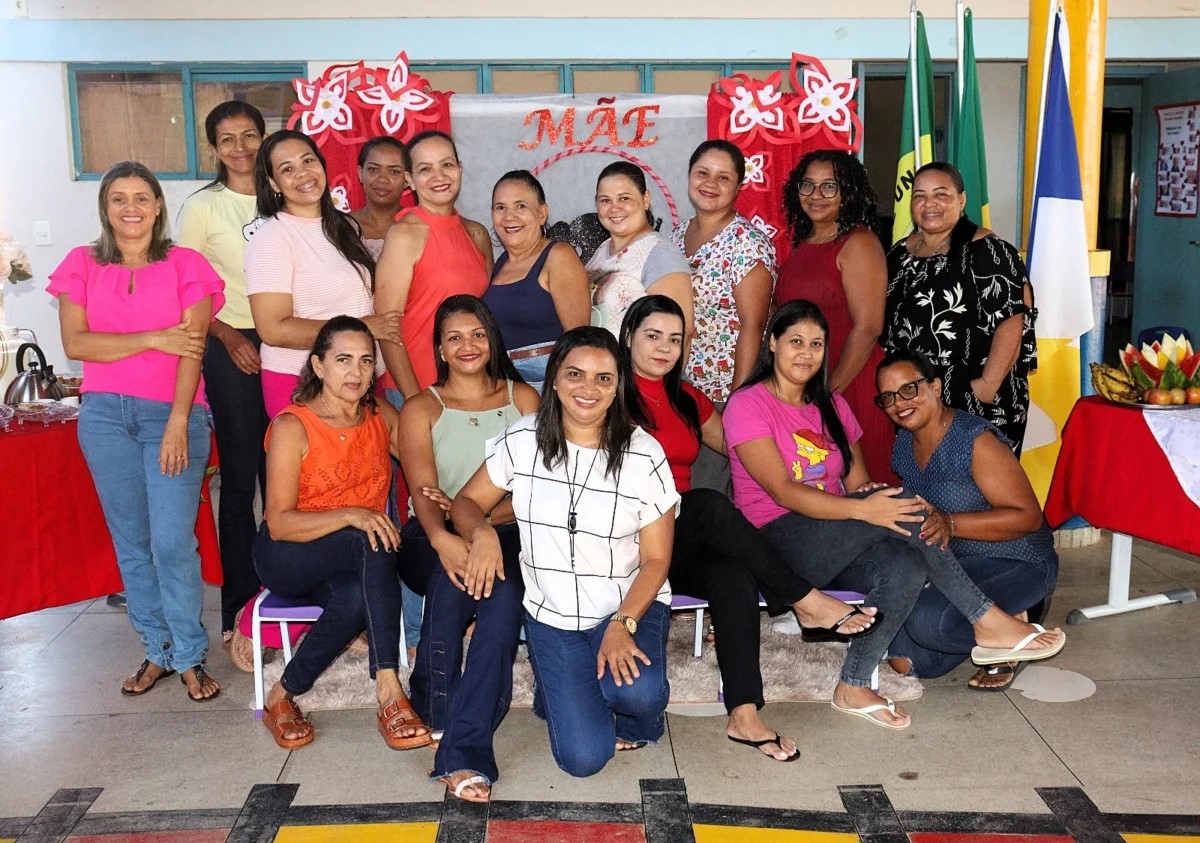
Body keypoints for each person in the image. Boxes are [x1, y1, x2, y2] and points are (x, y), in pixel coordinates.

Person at [723, 299, 1065, 730]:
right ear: (772, 343)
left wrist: (871, 498)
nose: (806, 353)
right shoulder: (748, 405)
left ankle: (853, 683)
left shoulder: (832, 404)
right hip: (778, 540)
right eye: (795, 341)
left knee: (903, 557)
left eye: (816, 343)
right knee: (904, 511)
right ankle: (988, 620)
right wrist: (868, 509)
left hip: (832, 534)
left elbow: (857, 480)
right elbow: (783, 491)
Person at [620, 296, 878, 762]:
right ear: (628, 336)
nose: (664, 348)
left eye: (675, 339)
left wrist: (799, 459)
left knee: (732, 575)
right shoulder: (609, 392)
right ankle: (805, 600)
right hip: (628, 537)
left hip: (678, 540)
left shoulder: (686, 398)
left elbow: (739, 442)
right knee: (706, 504)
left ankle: (743, 714)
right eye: (652, 336)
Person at [450, 327, 680, 777]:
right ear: (554, 379)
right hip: (552, 616)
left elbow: (656, 559)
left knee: (637, 693)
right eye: (575, 374)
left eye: (603, 378)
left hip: (627, 604)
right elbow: (465, 502)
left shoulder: (643, 453)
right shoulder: (523, 439)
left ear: (619, 386)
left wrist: (622, 624)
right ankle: (566, 688)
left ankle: (641, 719)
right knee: (583, 760)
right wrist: (483, 532)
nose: (588, 389)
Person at [49, 160, 225, 702]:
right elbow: (78, 345)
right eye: (119, 198)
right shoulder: (81, 263)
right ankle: (158, 649)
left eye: (141, 198)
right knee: (133, 543)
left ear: (157, 206)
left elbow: (191, 350)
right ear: (105, 207)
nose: (131, 208)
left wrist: (178, 421)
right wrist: (154, 338)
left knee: (173, 541)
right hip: (104, 418)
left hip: (172, 415)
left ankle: (190, 654)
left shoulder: (186, 265)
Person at [253, 316, 432, 751]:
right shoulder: (293, 425)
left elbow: (419, 457)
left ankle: (282, 694)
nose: (356, 372)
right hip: (288, 553)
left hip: (356, 555)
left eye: (366, 361)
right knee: (370, 535)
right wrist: (351, 513)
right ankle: (390, 689)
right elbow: (279, 521)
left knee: (356, 595)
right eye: (343, 360)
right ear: (318, 366)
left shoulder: (376, 415)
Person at [396, 296, 539, 802]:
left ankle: (454, 735)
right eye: (454, 337)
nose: (467, 345)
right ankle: (437, 704)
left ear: (492, 338)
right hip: (427, 536)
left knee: (501, 598)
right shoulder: (420, 407)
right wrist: (444, 537)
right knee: (449, 575)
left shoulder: (523, 401)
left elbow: (531, 494)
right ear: (438, 347)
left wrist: (472, 515)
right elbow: (422, 495)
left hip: (506, 531)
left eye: (477, 334)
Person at [875, 350, 1059, 690]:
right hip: (955, 569)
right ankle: (996, 623)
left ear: (934, 386)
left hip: (1016, 560)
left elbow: (1029, 518)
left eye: (909, 389)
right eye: (887, 397)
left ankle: (1020, 620)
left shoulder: (974, 440)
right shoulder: (903, 444)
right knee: (910, 662)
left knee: (928, 624)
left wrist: (951, 522)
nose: (899, 403)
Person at [176, 100, 268, 654]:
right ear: (213, 149)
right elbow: (186, 292)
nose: (241, 148)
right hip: (230, 343)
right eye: (228, 139)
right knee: (239, 480)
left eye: (250, 135)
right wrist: (230, 337)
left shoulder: (285, 195)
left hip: (289, 347)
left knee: (284, 473)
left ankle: (287, 597)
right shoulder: (203, 207)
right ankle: (238, 605)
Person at [244, 129, 400, 419]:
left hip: (360, 377)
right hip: (302, 381)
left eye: (308, 161)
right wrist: (363, 327)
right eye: (287, 169)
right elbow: (273, 329)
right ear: (272, 182)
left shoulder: (345, 226)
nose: (303, 174)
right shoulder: (272, 238)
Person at [883, 162, 1037, 449]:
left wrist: (986, 387)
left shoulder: (988, 249)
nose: (929, 204)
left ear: (962, 199)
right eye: (919, 196)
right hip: (913, 400)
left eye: (941, 194)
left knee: (975, 489)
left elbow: (1012, 320)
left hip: (974, 395)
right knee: (921, 484)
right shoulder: (899, 254)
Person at [775, 149, 896, 483]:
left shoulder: (859, 242)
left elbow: (869, 327)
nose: (816, 195)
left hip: (849, 383)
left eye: (829, 186)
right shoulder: (803, 243)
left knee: (864, 485)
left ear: (848, 192)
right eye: (808, 185)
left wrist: (829, 394)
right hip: (809, 381)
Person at [375, 130, 494, 400]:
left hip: (473, 383)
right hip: (418, 385)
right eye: (425, 169)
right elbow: (387, 328)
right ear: (410, 180)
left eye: (447, 165)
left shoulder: (476, 233)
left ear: (460, 169)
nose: (439, 176)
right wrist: (415, 399)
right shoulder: (404, 234)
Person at [670, 140, 775, 404]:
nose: (710, 184)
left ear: (738, 187)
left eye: (723, 177)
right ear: (690, 176)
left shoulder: (748, 243)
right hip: (679, 387)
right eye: (703, 173)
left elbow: (754, 327)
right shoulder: (676, 236)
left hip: (723, 392)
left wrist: (737, 402)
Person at [483, 170, 590, 392]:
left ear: (542, 213)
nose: (509, 216)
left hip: (548, 383)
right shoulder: (502, 262)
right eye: (500, 207)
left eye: (521, 206)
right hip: (506, 384)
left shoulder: (559, 255)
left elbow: (579, 339)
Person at [587, 161, 692, 338]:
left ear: (645, 200)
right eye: (605, 200)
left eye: (624, 198)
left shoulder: (660, 253)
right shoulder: (602, 250)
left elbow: (681, 332)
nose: (614, 208)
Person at [350, 136, 409, 260]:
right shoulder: (342, 227)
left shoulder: (419, 226)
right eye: (373, 169)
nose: (382, 179)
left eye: (394, 172)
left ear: (407, 179)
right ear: (360, 173)